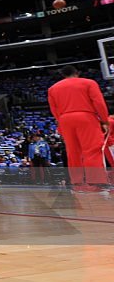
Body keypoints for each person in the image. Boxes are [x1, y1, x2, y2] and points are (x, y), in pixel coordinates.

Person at [47, 65, 110, 193]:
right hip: (86, 117)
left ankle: (77, 182)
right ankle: (95, 181)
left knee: (72, 151)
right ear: (77, 73)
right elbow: (98, 102)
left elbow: (54, 109)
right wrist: (104, 120)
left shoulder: (53, 88)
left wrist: (62, 121)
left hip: (64, 119)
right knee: (92, 149)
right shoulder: (88, 83)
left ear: (63, 75)